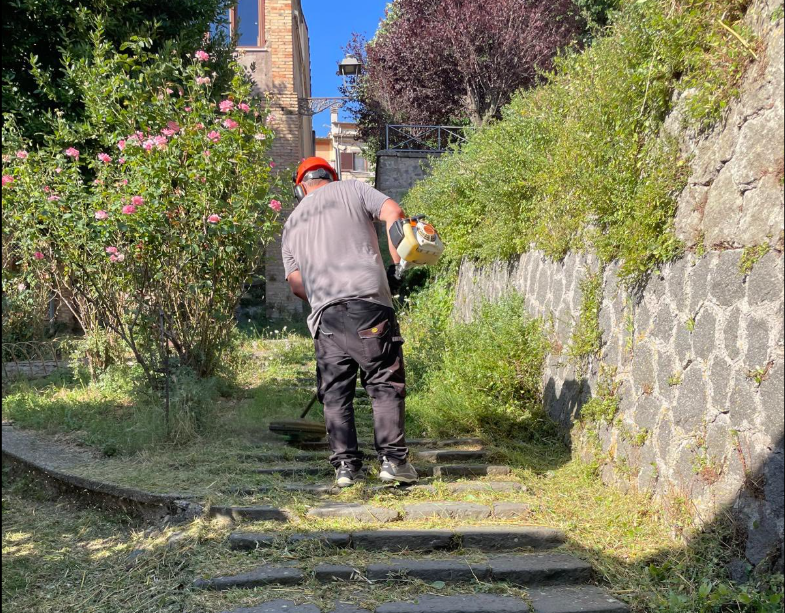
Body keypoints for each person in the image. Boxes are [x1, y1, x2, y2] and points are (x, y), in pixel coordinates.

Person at [281, 157, 419, 488]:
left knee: (336, 393)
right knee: (383, 382)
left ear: (302, 187)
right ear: (332, 177)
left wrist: (323, 299)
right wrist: (396, 267)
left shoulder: (292, 223)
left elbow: (296, 284)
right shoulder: (353, 189)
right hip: (368, 303)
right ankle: (393, 462)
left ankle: (345, 468)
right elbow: (394, 213)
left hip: (326, 315)